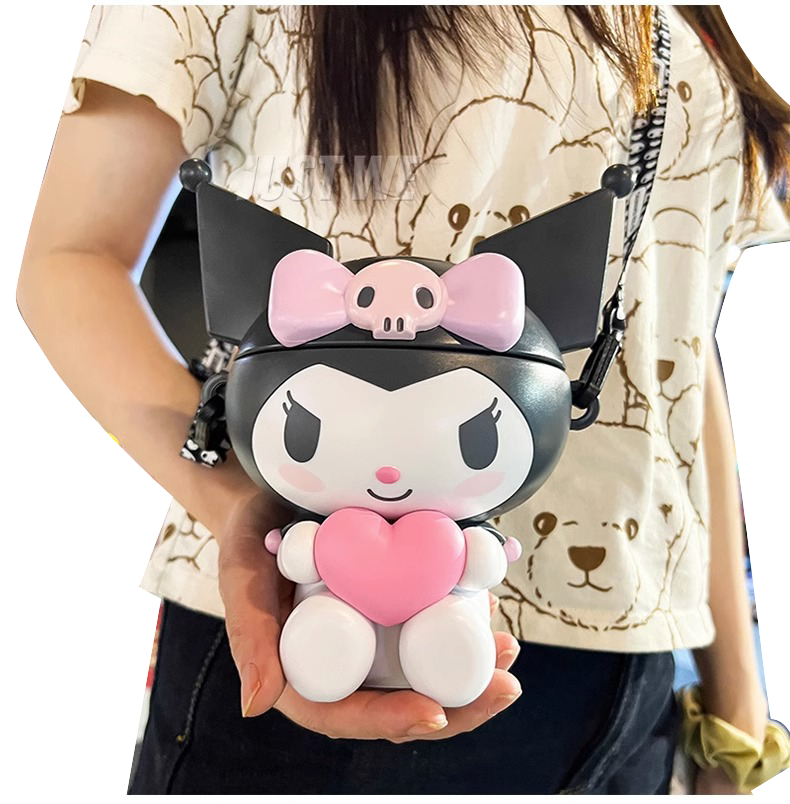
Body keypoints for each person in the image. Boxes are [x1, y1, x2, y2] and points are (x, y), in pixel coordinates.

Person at [16, 4, 790, 795]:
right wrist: (242, 508)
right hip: (301, 636)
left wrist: (735, 685)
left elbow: (677, 339)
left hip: (644, 665)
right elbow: (72, 257)